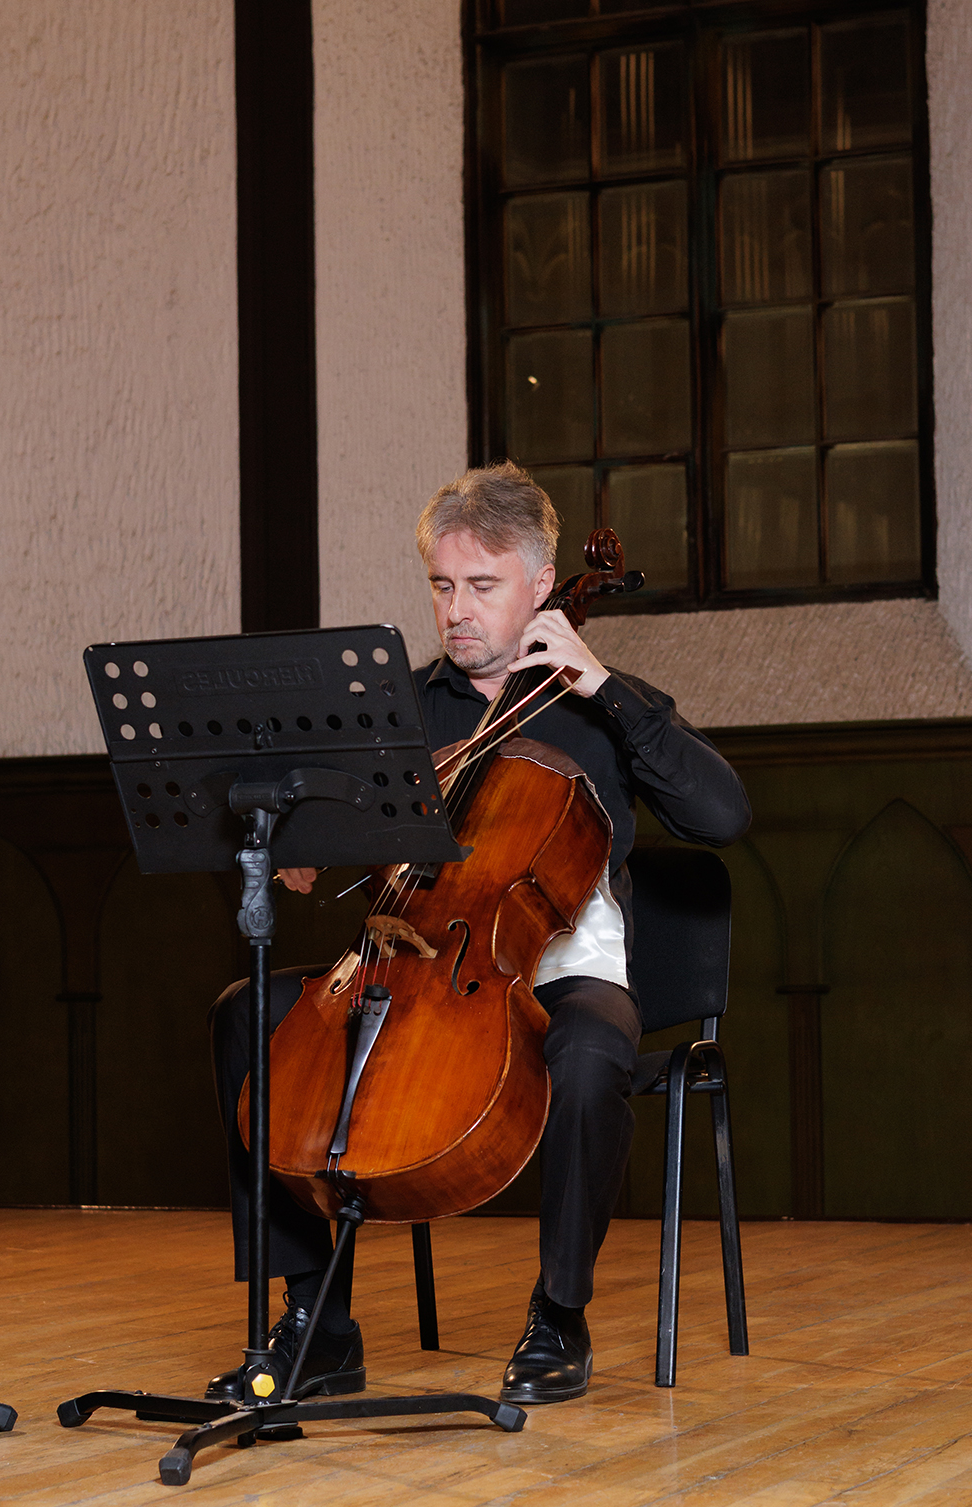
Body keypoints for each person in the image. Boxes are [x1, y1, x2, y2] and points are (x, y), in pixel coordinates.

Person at [207, 462, 751, 1405]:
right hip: (408, 954)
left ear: (542, 589)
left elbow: (723, 814)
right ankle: (317, 1325)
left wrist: (608, 690)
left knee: (590, 1056)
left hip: (561, 961)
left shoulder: (604, 708)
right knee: (245, 1013)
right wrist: (300, 844)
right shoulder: (406, 713)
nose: (457, 610)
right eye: (442, 586)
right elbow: (331, 822)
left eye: (482, 587)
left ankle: (558, 1316)